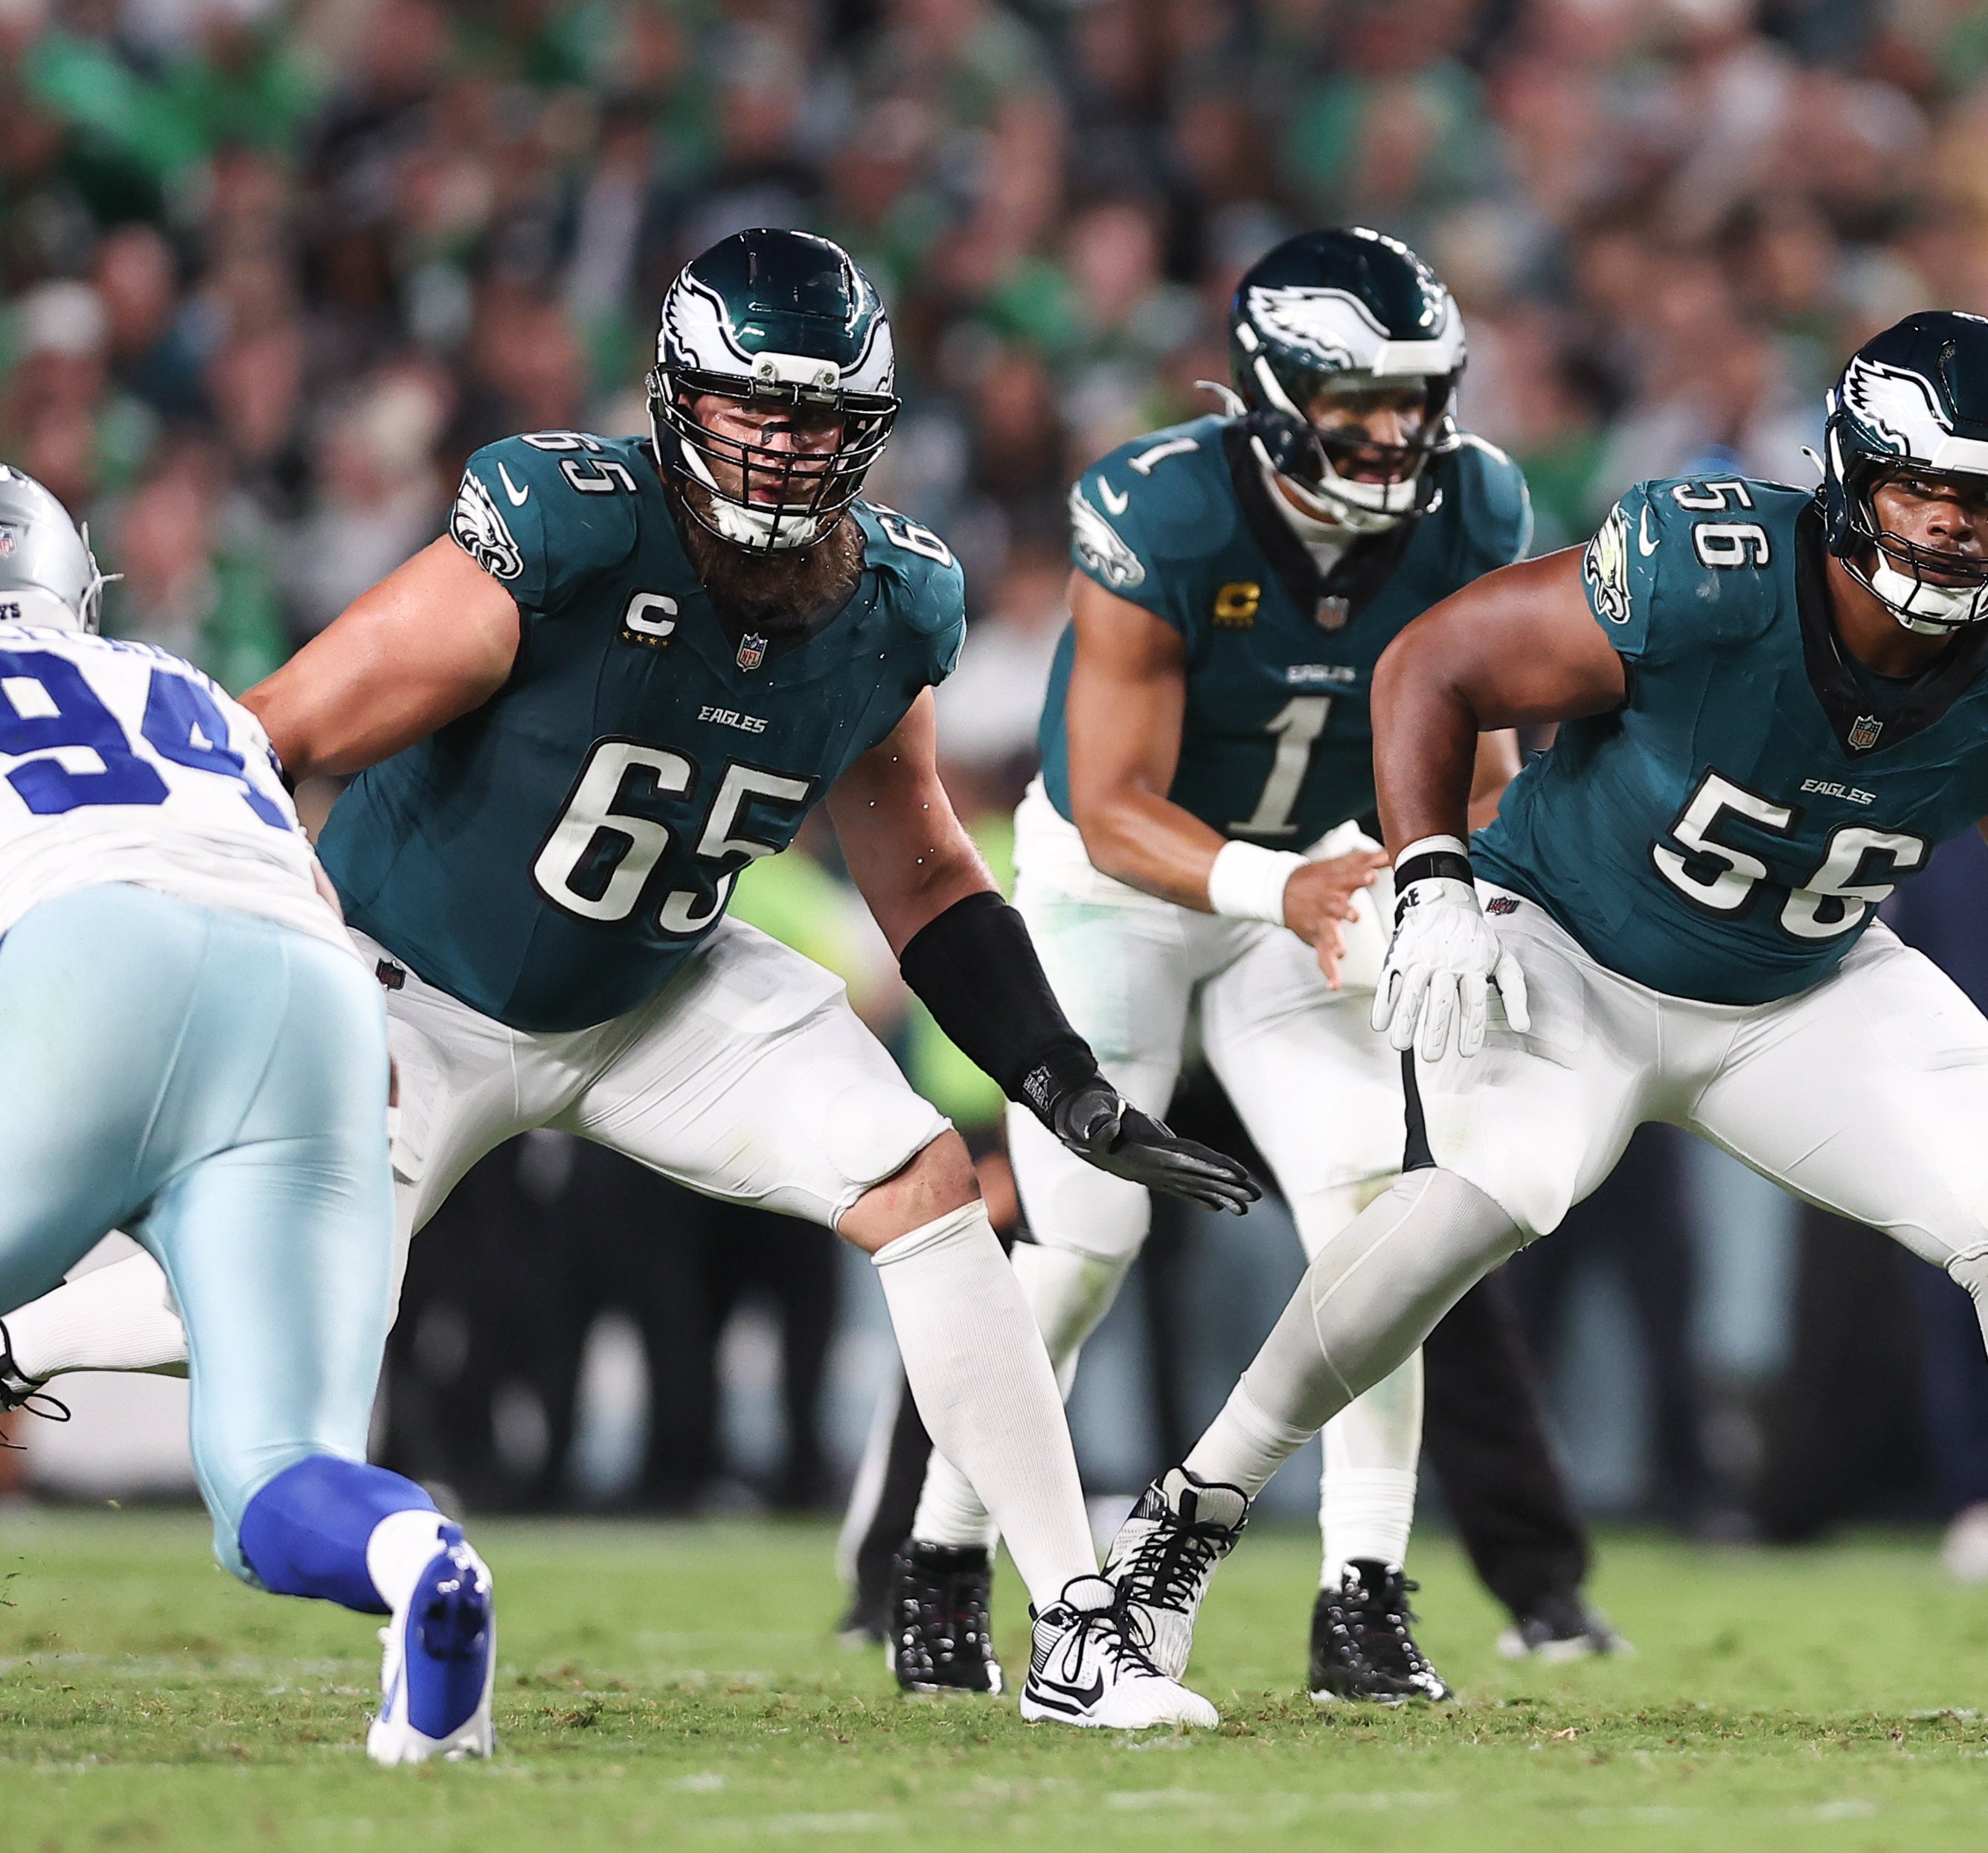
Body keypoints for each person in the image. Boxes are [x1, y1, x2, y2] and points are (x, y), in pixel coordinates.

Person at [0, 231, 1253, 1730]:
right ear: (676, 397)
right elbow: (276, 737)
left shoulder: (891, 599)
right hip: (411, 988)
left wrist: (1051, 1074)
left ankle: (1074, 1630)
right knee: (242, 1310)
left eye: (818, 420)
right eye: (754, 410)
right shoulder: (571, 526)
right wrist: (299, 974)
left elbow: (919, 870)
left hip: (658, 986)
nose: (786, 451)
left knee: (922, 1184)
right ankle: (21, 1338)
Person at [1096, 311, 1988, 1741]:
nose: (1954, 528)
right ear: (1853, 474)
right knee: (1480, 1196)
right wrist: (1431, 875)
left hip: (1803, 986)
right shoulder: (1705, 568)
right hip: (1567, 956)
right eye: (1925, 487)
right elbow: (1431, 663)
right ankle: (1164, 1541)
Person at [894, 227, 1611, 1703]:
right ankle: (942, 1561)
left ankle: (1361, 1593)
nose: (1394, 434)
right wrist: (1278, 885)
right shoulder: (1158, 507)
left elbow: (1480, 772)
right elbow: (1107, 803)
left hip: (1319, 875)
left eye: (1414, 399)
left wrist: (1446, 892)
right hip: (1122, 892)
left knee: (1369, 1227)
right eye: (1357, 402)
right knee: (1082, 1250)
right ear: (1274, 392)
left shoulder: (1472, 502)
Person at [0, 466, 495, 1764]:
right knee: (274, 1470)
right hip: (320, 1002)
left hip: (92, 958)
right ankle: (416, 1556)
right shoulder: (186, 689)